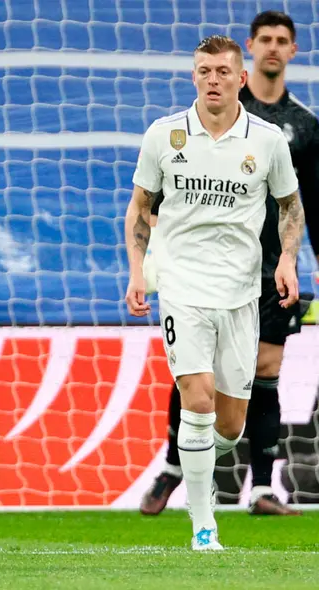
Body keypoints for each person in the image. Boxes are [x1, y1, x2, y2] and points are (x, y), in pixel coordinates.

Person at [125, 35, 305, 550]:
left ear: (240, 79)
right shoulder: (164, 135)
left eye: (223, 72)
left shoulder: (267, 140)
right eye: (204, 71)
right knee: (196, 398)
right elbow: (140, 208)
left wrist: (288, 259)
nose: (213, 80)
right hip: (182, 287)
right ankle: (204, 525)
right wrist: (139, 271)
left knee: (228, 425)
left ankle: (196, 460)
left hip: (242, 292)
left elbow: (290, 206)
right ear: (193, 77)